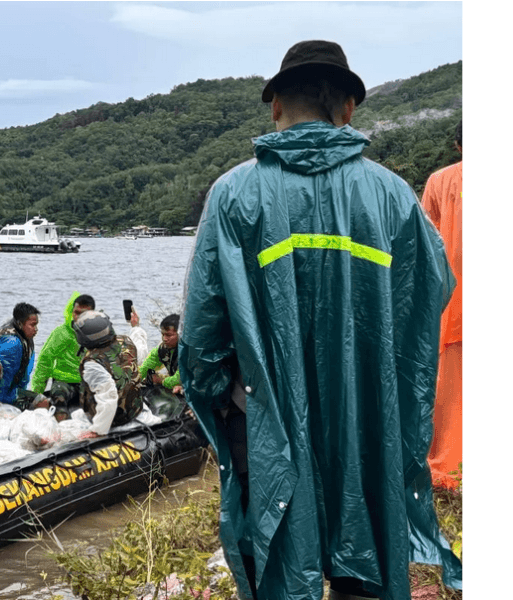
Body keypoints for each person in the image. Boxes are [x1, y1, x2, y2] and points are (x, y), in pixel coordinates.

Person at [176, 40, 461, 600]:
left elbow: (203, 328)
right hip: (368, 415)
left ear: (276, 106)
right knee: (365, 555)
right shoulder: (391, 195)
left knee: (277, 558)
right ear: (348, 109)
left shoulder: (234, 193)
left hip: (264, 419)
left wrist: (217, 400)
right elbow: (428, 297)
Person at [421, 120, 462, 490]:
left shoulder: (440, 181)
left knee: (451, 395)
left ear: (457, 144)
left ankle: (448, 468)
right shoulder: (441, 180)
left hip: (454, 304)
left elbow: (426, 246)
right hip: (455, 305)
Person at [72, 308, 148, 439]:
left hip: (116, 419)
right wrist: (136, 327)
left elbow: (109, 396)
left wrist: (98, 430)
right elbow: (141, 351)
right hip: (134, 410)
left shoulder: (92, 363)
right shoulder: (126, 342)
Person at [28, 293, 95, 420]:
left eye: (83, 314)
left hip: (87, 382)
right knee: (59, 396)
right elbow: (45, 360)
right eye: (76, 313)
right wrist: (37, 393)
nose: (78, 317)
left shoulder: (98, 332)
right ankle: (62, 425)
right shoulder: (62, 333)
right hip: (64, 382)